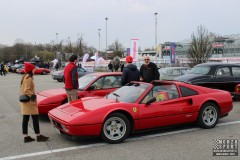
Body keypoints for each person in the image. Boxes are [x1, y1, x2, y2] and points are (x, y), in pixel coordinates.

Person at [19, 62, 49, 143]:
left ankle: (26, 137)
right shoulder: (28, 78)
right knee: (35, 118)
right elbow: (26, 90)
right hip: (29, 102)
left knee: (25, 119)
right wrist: (33, 96)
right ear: (30, 70)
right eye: (33, 68)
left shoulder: (25, 76)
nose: (34, 70)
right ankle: (38, 136)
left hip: (25, 102)